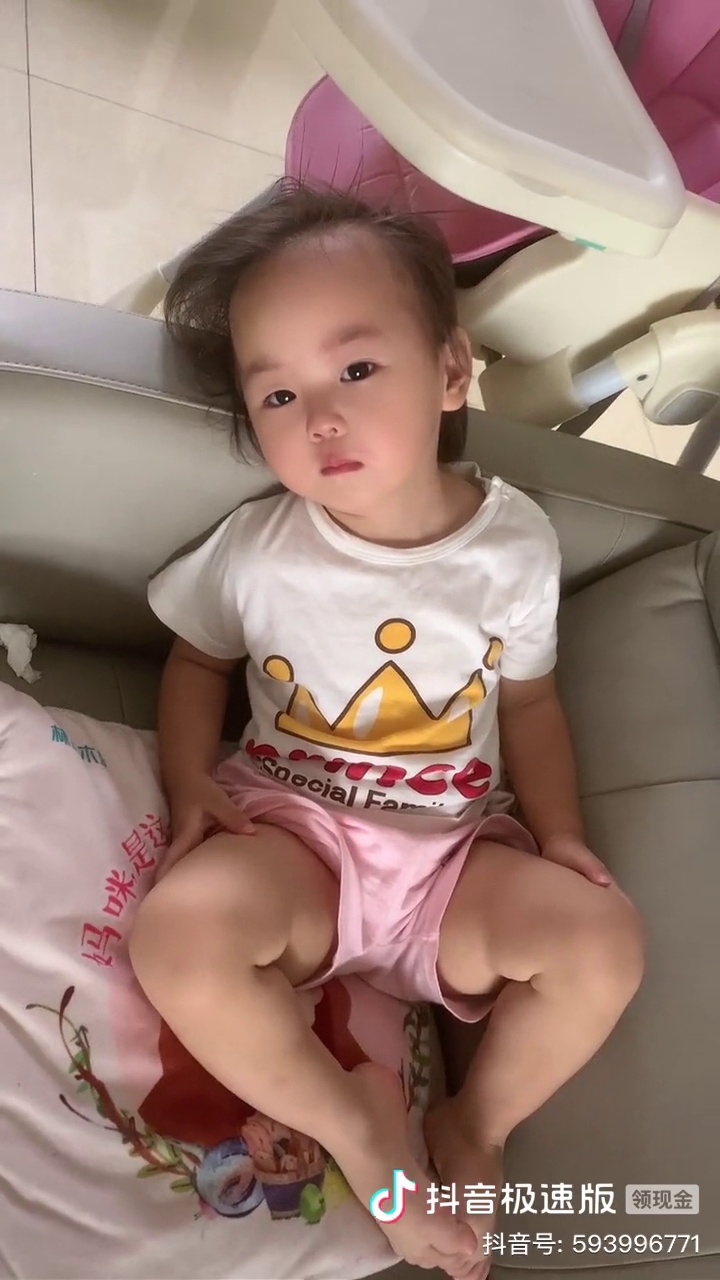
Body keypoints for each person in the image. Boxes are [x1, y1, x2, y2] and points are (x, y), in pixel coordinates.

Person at [129, 180, 644, 1280]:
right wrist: (189, 783)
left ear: (452, 371)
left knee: (605, 944)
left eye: (357, 370)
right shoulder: (262, 547)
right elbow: (195, 659)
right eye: (278, 393)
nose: (320, 416)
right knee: (175, 937)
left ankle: (474, 1123)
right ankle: (364, 1136)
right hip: (297, 840)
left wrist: (560, 836)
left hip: (452, 867)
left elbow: (532, 703)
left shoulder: (515, 546)